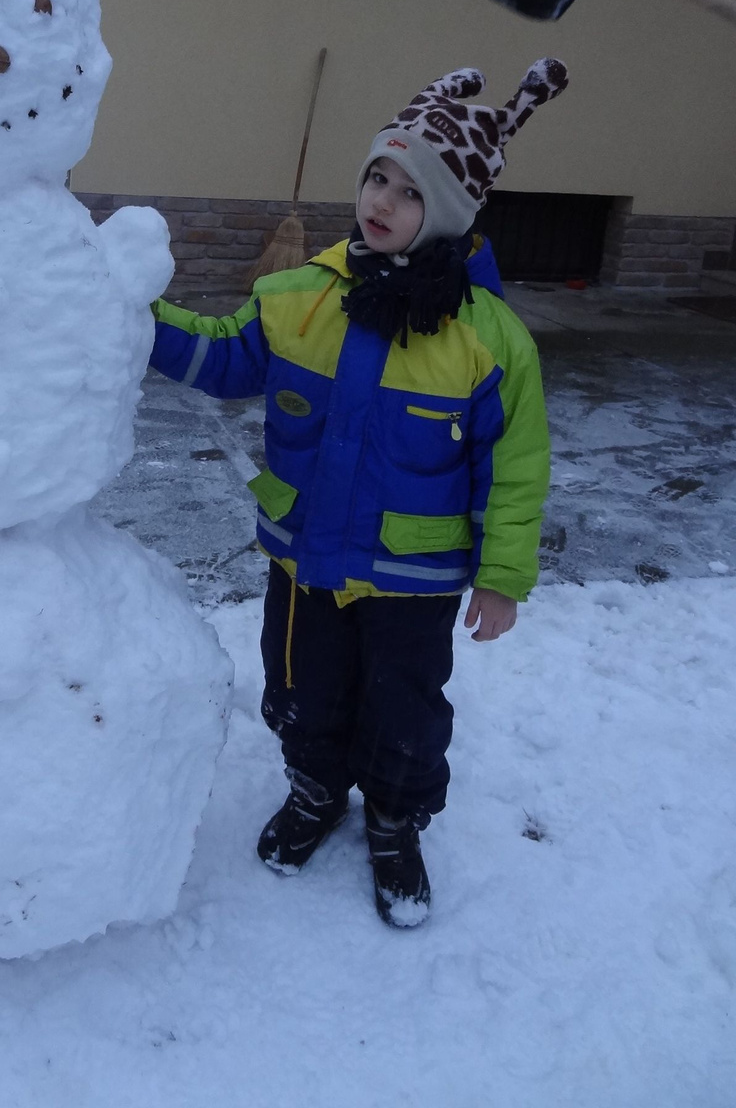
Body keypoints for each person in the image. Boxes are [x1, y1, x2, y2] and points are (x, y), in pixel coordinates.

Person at [149, 60, 567, 927]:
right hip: (303, 558)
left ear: (448, 213)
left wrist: (501, 575)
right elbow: (225, 357)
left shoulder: (489, 341)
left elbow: (516, 465)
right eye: (377, 175)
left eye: (409, 191)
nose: (380, 199)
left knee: (403, 710)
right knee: (301, 688)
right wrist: (132, 316)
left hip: (413, 581)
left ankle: (392, 820)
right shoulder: (299, 297)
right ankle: (313, 793)